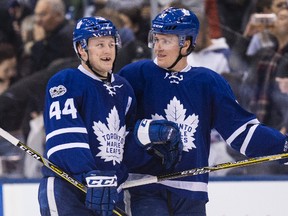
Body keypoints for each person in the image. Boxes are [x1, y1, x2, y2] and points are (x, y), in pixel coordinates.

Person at [119, 7, 288, 216]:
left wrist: (282, 145)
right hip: (144, 187)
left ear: (186, 44)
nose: (158, 47)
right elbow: (114, 126)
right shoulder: (135, 75)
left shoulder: (208, 82)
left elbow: (241, 132)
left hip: (191, 191)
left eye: (166, 41)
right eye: (156, 39)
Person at [38, 16, 182, 216]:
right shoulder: (66, 81)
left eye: (111, 44)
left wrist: (149, 140)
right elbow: (64, 139)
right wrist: (90, 176)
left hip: (111, 193)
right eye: (99, 45)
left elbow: (122, 148)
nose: (107, 50)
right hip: (69, 190)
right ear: (81, 49)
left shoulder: (123, 88)